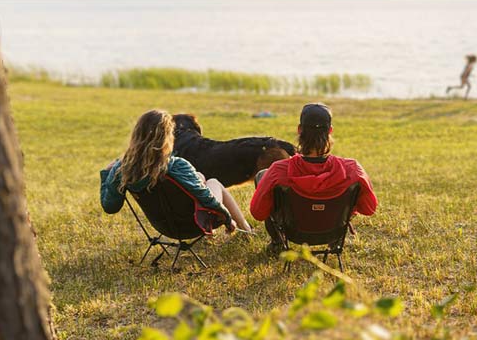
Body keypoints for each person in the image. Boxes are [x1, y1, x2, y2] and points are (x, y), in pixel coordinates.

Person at [100, 109, 253, 236]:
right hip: (195, 226)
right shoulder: (176, 165)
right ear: (167, 136)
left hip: (164, 228)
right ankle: (245, 229)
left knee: (199, 177)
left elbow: (110, 207)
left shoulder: (122, 170)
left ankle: (244, 228)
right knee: (213, 182)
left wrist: (106, 175)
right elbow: (206, 198)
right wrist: (227, 218)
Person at [250, 103, 378, 248]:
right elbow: (369, 209)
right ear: (330, 130)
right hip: (332, 231)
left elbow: (258, 213)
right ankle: (334, 242)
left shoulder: (278, 170)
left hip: (293, 232)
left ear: (299, 130)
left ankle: (278, 242)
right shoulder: (352, 169)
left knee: (263, 175)